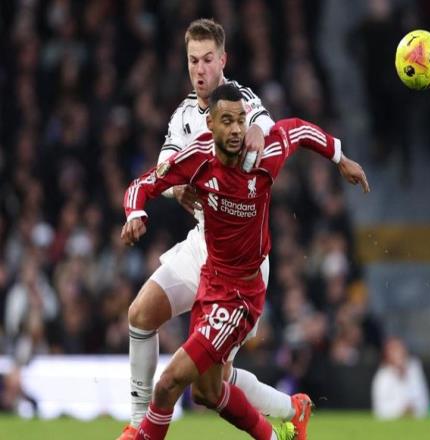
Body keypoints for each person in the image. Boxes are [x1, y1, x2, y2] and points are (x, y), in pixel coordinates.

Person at [121, 84, 369, 440]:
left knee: (168, 384)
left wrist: (340, 158)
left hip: (239, 296)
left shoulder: (264, 154)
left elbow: (299, 129)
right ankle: (283, 424)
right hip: (209, 281)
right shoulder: (197, 157)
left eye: (241, 120)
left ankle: (140, 432)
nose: (237, 129)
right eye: (227, 121)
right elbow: (144, 183)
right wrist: (135, 213)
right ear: (211, 124)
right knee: (207, 392)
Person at [119, 18, 309, 440]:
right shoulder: (183, 116)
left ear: (223, 60)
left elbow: (266, 125)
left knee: (212, 385)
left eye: (208, 60)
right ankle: (137, 425)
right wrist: (175, 191)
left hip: (241, 260)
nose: (200, 69)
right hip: (201, 244)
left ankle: (291, 409)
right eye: (193, 61)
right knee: (140, 314)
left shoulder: (243, 103)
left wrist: (256, 130)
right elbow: (165, 168)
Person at [371, 337, 430, 420]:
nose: (398, 355)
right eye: (394, 351)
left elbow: (424, 401)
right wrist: (401, 411)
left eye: (400, 351)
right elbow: (380, 410)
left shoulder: (414, 369)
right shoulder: (382, 377)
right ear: (387, 355)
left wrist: (413, 409)